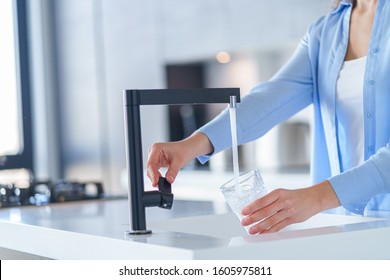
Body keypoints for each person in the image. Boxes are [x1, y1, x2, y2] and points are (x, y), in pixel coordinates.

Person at [146, 0, 390, 234]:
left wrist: (317, 197)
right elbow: (270, 99)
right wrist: (192, 144)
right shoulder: (325, 32)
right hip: (347, 225)